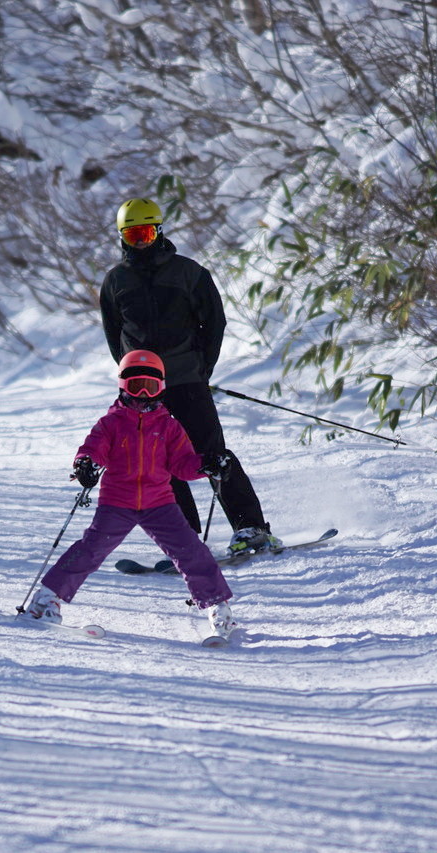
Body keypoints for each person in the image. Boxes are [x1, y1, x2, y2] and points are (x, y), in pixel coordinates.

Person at [99, 197, 280, 557]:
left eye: (147, 233)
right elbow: (113, 333)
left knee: (212, 454)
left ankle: (251, 528)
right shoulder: (115, 281)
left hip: (186, 380)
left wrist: (201, 368)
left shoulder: (189, 272)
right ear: (122, 237)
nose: (141, 242)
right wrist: (134, 377)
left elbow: (214, 323)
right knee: (157, 463)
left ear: (160, 231)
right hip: (145, 391)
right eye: (133, 235)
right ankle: (184, 537)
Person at [25, 350, 235, 635]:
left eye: (152, 387)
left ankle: (217, 606)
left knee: (191, 552)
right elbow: (93, 449)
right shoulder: (111, 423)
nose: (145, 395)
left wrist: (206, 465)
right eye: (138, 387)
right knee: (89, 551)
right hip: (117, 502)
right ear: (124, 386)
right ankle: (45, 600)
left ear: (162, 388)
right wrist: (85, 464)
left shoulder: (169, 426)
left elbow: (182, 465)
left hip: (159, 503)